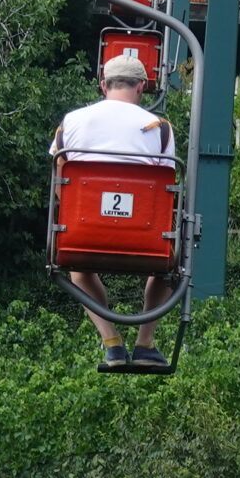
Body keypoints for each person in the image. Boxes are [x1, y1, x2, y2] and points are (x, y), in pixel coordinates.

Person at [50, 51, 177, 369]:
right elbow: (166, 188)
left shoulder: (71, 122)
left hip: (83, 235)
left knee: (79, 268)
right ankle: (145, 343)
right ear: (141, 87)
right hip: (144, 240)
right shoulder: (158, 127)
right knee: (167, 264)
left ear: (103, 86)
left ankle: (112, 343)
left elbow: (59, 175)